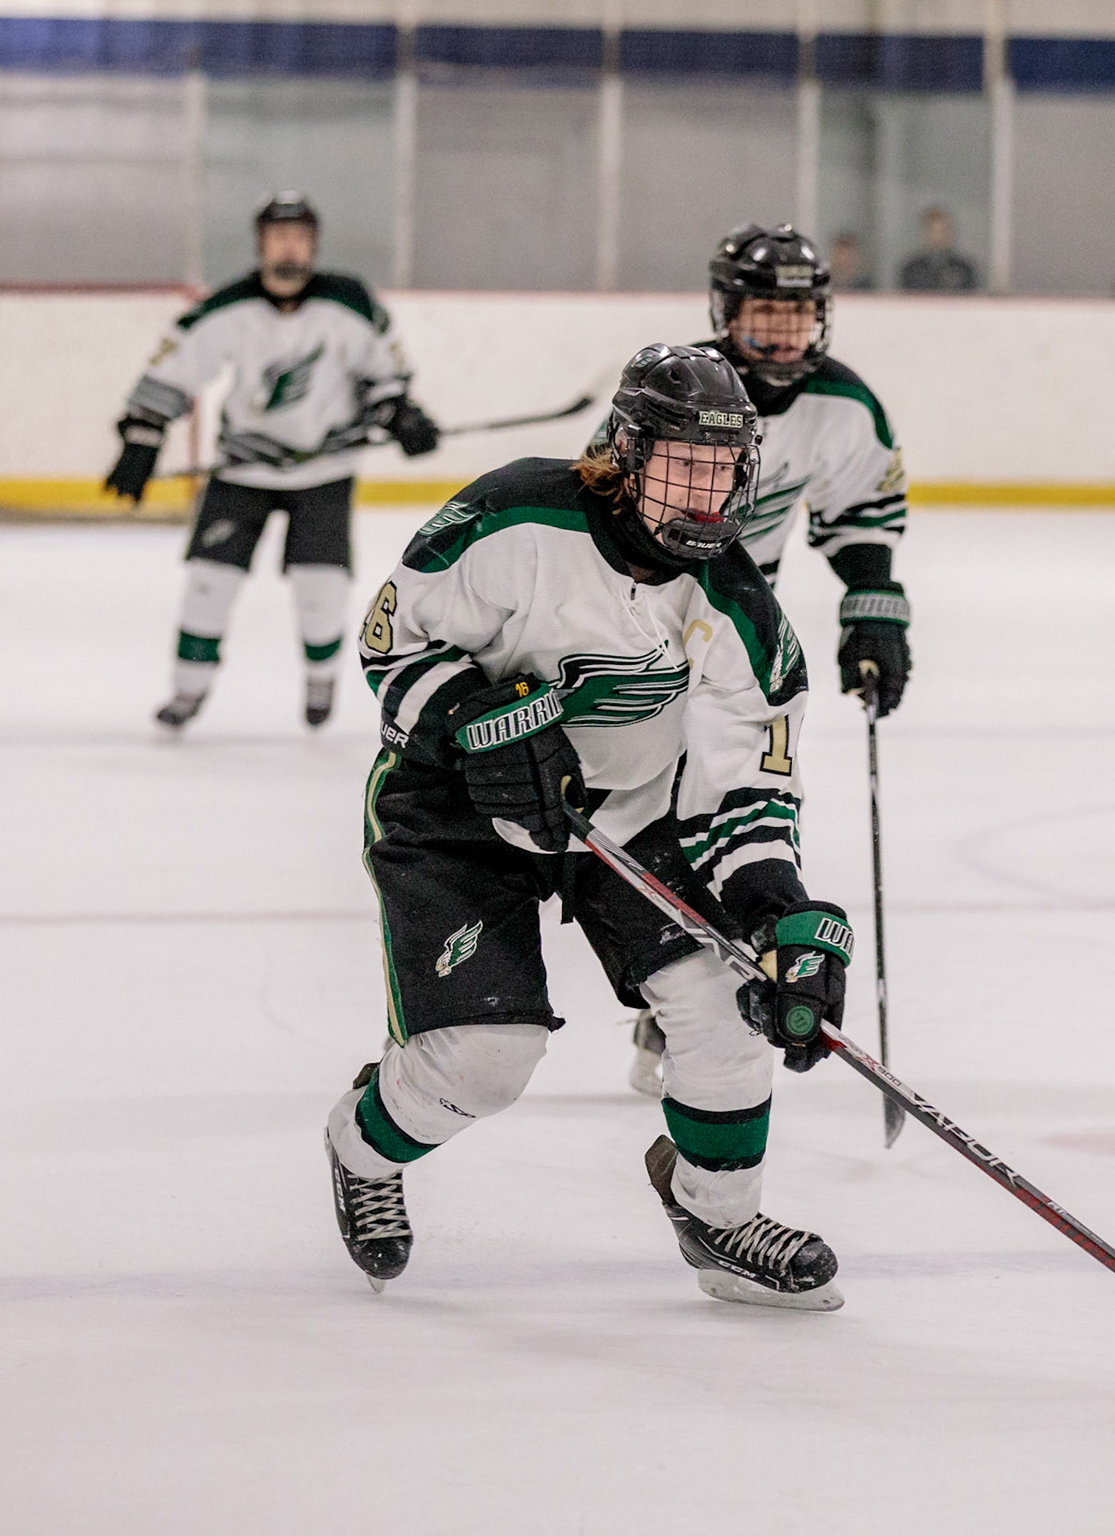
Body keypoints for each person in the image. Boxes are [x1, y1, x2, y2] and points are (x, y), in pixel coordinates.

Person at [323, 344, 852, 1311]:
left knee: (727, 1006)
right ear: (625, 453)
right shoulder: (515, 516)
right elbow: (391, 643)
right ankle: (361, 1146)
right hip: (457, 810)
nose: (704, 495)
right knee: (486, 1061)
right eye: (682, 465)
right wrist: (470, 723)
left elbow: (747, 789)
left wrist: (777, 914)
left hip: (629, 819)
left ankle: (719, 1217)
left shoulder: (740, 610)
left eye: (723, 470)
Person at [617, 222, 911, 1096]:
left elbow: (860, 510)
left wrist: (873, 604)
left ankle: (701, 980)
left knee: (746, 798)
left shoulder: (845, 406)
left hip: (740, 628)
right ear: (726, 311)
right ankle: (668, 971)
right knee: (655, 799)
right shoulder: (680, 393)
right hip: (646, 619)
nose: (783, 333)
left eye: (797, 314)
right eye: (764, 313)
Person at [105, 192, 442, 731]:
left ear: (314, 245)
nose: (289, 248)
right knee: (209, 582)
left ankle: (320, 682)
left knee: (321, 589)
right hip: (242, 472)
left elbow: (384, 374)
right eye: (279, 237)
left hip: (325, 472)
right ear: (260, 244)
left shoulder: (349, 302)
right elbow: (175, 365)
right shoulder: (229, 307)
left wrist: (401, 414)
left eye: (300, 238)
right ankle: (188, 690)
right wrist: (142, 436)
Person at [898, 206, 978, 292]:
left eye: (943, 231)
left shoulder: (963, 268)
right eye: (934, 231)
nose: (938, 237)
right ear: (925, 233)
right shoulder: (912, 269)